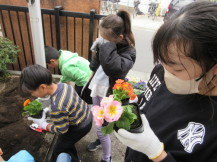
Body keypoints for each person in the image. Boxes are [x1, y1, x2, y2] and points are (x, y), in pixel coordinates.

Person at [114, 1, 217, 162]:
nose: (166, 73)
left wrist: (156, 153)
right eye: (162, 61)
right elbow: (150, 102)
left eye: (177, 69)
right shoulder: (162, 72)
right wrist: (131, 105)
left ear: (214, 68)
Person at [87, 10, 136, 162]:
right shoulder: (106, 41)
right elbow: (97, 62)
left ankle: (106, 158)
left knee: (102, 128)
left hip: (108, 92)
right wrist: (93, 68)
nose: (102, 40)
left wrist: (107, 44)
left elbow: (112, 68)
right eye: (101, 36)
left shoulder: (129, 51)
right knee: (99, 121)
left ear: (119, 37)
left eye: (105, 38)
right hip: (97, 87)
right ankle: (101, 141)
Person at [20, 64, 92, 162]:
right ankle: (74, 157)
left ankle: (74, 160)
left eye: (32, 92)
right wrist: (48, 110)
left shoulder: (57, 106)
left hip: (79, 127)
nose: (32, 95)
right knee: (66, 143)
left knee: (59, 150)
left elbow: (61, 130)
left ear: (42, 87)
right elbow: (69, 105)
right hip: (86, 116)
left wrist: (44, 125)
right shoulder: (64, 86)